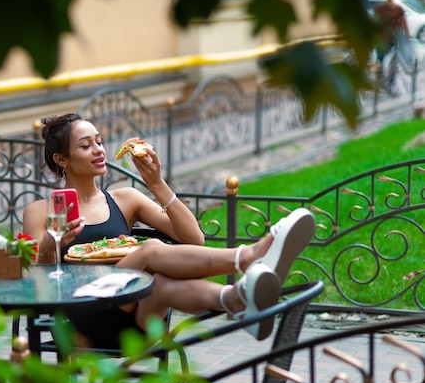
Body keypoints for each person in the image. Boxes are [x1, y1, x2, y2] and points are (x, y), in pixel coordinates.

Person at [22, 113, 316, 348]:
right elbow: (40, 284)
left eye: (99, 142)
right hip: (79, 321)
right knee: (149, 251)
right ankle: (248, 257)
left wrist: (156, 183)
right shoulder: (39, 211)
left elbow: (193, 239)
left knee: (160, 285)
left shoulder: (126, 199)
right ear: (61, 159)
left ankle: (236, 300)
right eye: (86, 146)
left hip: (135, 325)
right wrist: (50, 244)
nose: (99, 150)